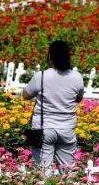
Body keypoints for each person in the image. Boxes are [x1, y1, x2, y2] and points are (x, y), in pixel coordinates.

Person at [22, 40, 85, 173]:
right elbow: (78, 99)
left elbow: (26, 95)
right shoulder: (77, 77)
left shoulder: (42, 76)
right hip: (67, 129)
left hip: (44, 129)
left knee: (44, 172)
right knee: (68, 172)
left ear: (50, 56)